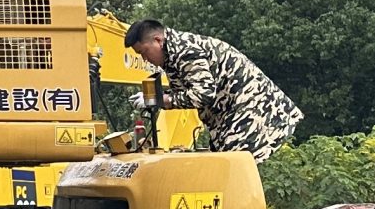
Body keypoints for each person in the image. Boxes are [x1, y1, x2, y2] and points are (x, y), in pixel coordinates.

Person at [122, 19, 304, 160]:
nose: (145, 59)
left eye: (144, 52)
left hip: (250, 109)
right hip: (229, 114)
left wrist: (166, 101)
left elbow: (203, 94)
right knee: (222, 167)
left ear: (158, 40)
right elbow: (190, 90)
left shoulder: (185, 50)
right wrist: (160, 96)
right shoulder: (171, 56)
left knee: (232, 167)